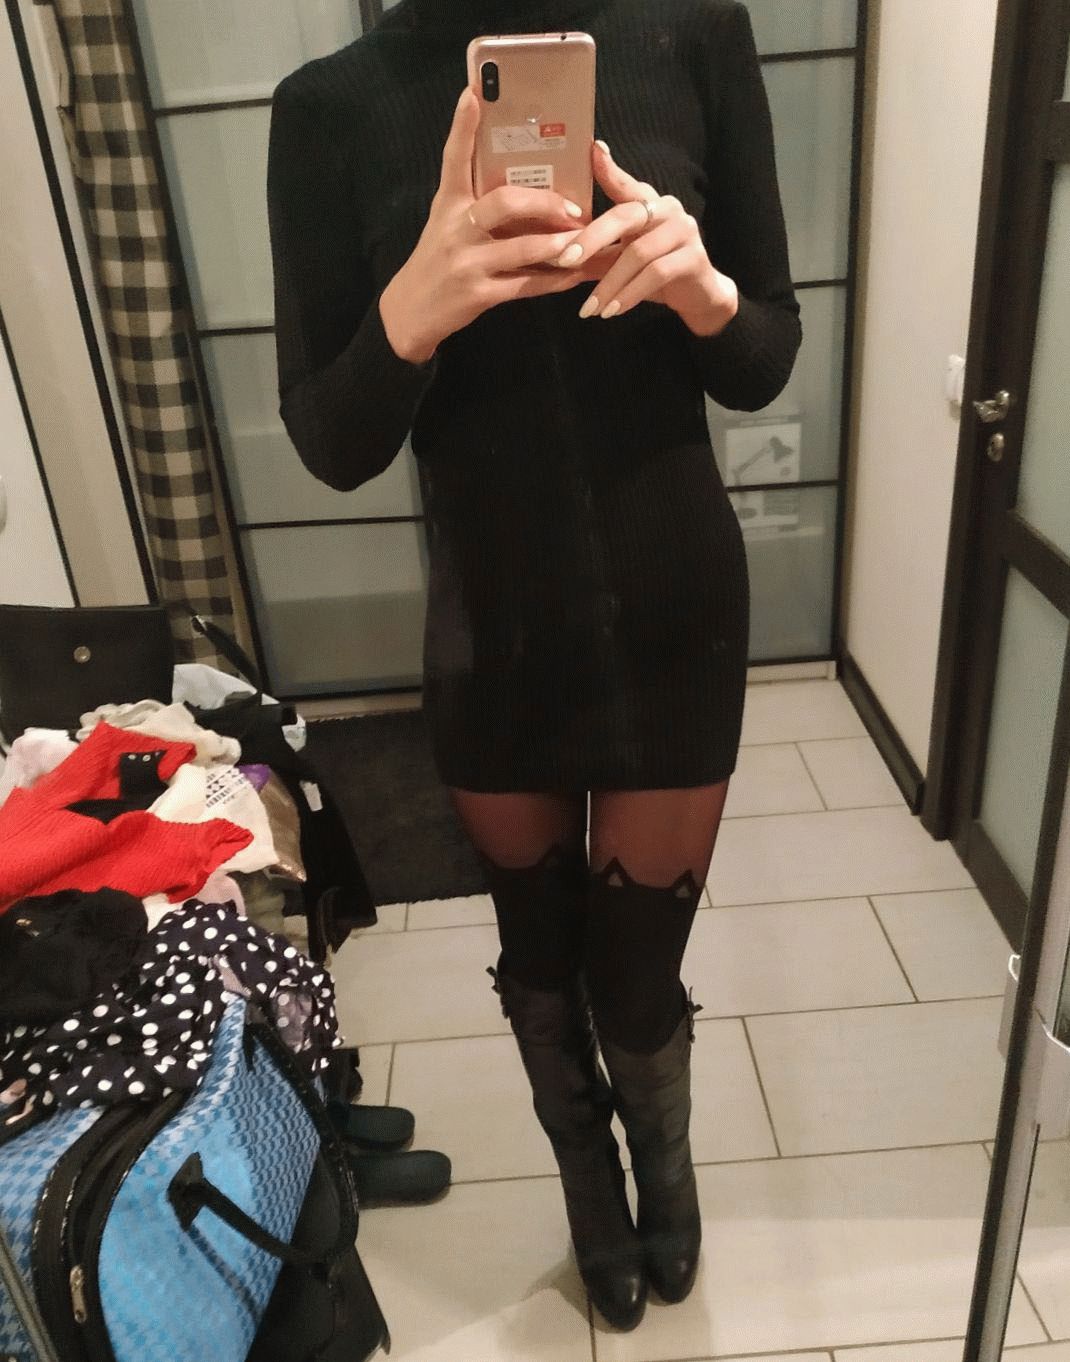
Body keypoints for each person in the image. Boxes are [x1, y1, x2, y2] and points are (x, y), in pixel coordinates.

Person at [266, 0, 801, 1333]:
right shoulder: (331, 107)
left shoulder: (693, 33)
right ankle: (588, 1183)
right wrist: (414, 308)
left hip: (674, 608)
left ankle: (662, 1164)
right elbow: (329, 442)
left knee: (636, 979)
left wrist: (701, 288)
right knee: (541, 964)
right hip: (492, 627)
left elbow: (764, 356)